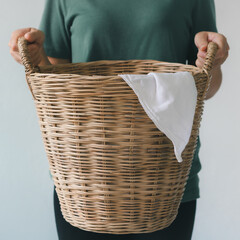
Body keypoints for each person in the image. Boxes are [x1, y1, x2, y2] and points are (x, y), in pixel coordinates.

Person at [9, 0, 229, 239]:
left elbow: (205, 86)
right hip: (85, 180)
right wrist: (35, 55)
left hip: (165, 177)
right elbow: (55, 83)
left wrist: (212, 60)